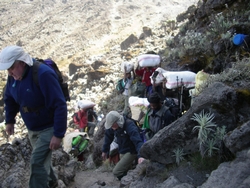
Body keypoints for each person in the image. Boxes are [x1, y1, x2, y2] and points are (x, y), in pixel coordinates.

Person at [0, 45, 67, 188]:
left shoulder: (43, 74)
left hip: (49, 127)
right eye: (8, 69)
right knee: (42, 161)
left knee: (36, 162)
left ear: (22, 62)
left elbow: (59, 104)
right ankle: (53, 183)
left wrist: (58, 134)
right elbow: (9, 99)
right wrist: (9, 121)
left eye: (12, 67)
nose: (10, 72)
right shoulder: (14, 76)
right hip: (32, 128)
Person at [101, 111, 145, 180]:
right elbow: (108, 137)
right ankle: (128, 180)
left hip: (131, 151)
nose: (112, 128)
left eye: (113, 125)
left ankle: (126, 181)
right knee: (125, 169)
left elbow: (138, 141)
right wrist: (104, 150)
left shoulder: (129, 125)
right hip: (122, 150)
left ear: (117, 122)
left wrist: (140, 156)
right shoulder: (113, 126)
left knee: (117, 171)